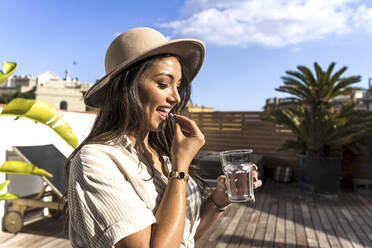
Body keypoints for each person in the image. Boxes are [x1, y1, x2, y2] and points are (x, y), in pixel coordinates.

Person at [64, 27, 262, 248]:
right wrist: (181, 168)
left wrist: (219, 200)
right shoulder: (96, 160)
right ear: (126, 87)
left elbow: (184, 235)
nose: (176, 97)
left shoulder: (161, 154)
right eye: (163, 84)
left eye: (178, 86)